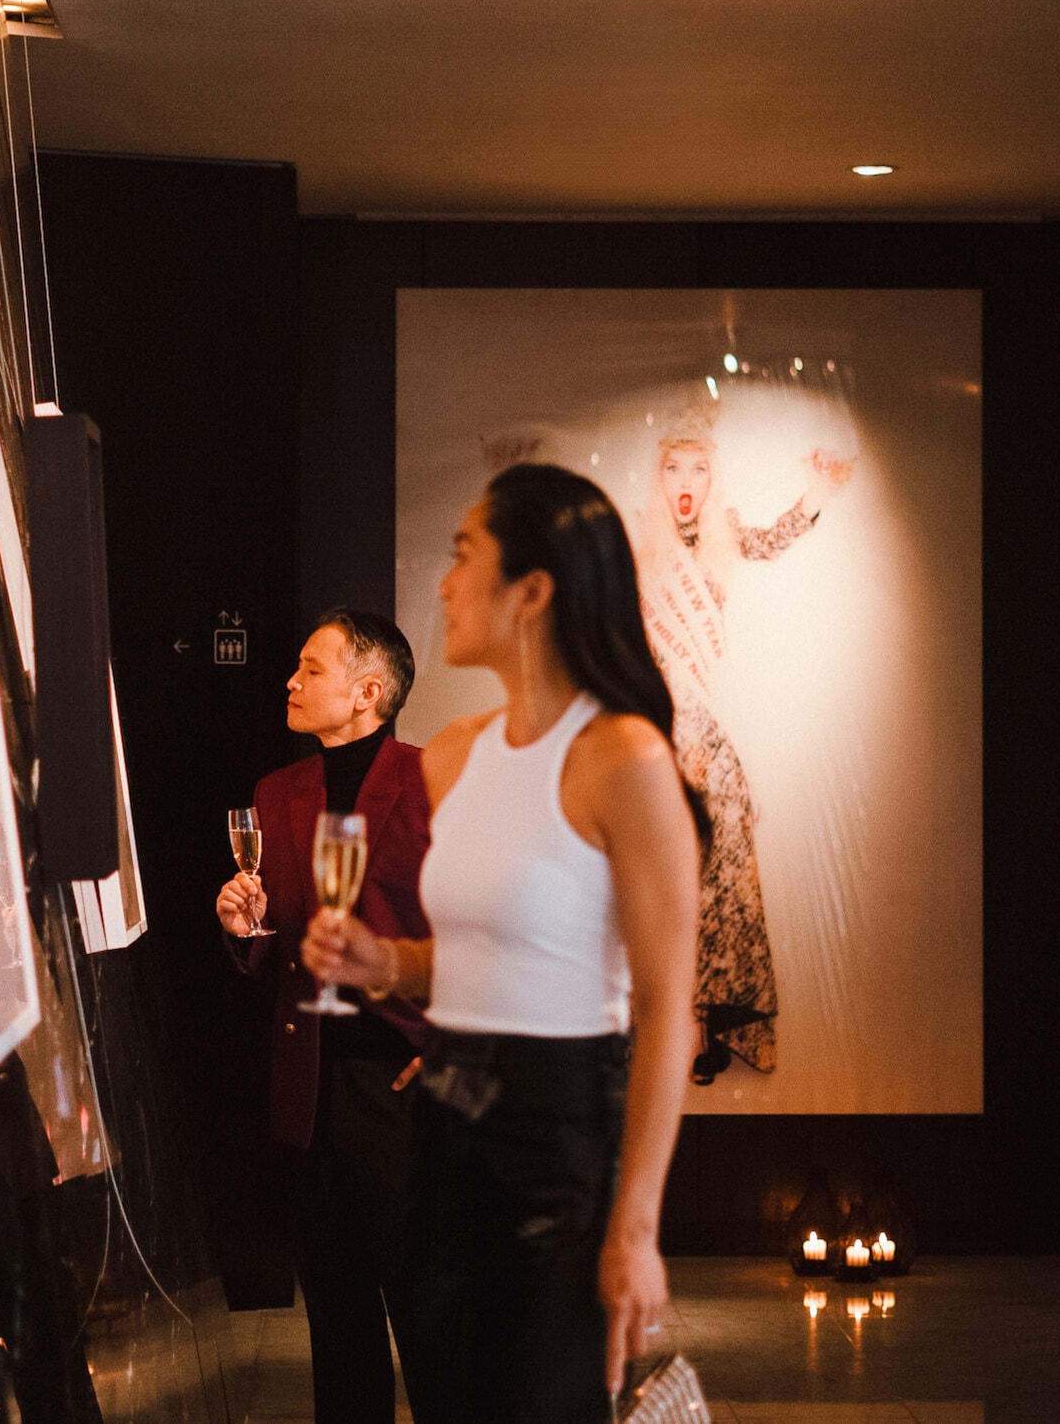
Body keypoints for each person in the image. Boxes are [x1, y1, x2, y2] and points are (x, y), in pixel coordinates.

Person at [303, 465, 703, 1424]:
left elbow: (666, 1012)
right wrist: (386, 963)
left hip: (560, 1130)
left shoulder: (626, 760)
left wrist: (635, 1228)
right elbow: (491, 957)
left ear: (532, 592)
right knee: (448, 1399)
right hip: (444, 1119)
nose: (443, 584)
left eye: (462, 556)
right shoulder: (453, 753)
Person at [217, 608, 433, 1424]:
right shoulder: (278, 792)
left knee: (430, 1317)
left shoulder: (430, 778)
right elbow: (281, 939)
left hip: (403, 1084)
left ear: (367, 691)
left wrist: (451, 1047)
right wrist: (246, 928)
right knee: (338, 1321)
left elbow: (485, 927)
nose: (291, 680)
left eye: (313, 669)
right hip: (309, 1089)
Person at [635, 405, 851, 1080]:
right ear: (659, 476)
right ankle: (662, 1026)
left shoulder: (723, 535)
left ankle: (721, 1030)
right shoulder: (638, 546)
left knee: (728, 890)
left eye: (699, 466)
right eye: (674, 467)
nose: (685, 480)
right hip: (654, 739)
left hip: (711, 735)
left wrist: (815, 494)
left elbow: (768, 540)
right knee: (660, 885)